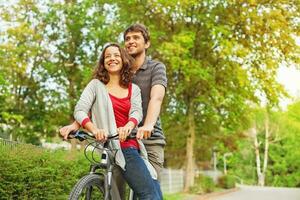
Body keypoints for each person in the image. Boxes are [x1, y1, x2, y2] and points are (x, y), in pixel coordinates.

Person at [60, 23, 167, 198]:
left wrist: (146, 125)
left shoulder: (155, 68)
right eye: (127, 39)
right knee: (116, 190)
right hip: (114, 141)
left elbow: (155, 99)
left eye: (136, 37)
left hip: (149, 138)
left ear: (146, 43)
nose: (131, 41)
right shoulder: (110, 76)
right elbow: (93, 105)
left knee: (149, 191)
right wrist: (76, 124)